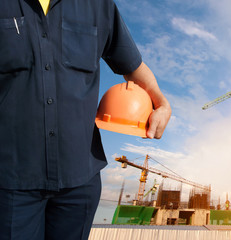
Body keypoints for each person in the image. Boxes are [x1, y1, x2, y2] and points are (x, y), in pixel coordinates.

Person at [0, 0, 171, 239]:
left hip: (80, 181)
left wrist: (162, 103)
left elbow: (133, 66)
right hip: (10, 181)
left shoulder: (98, 5)